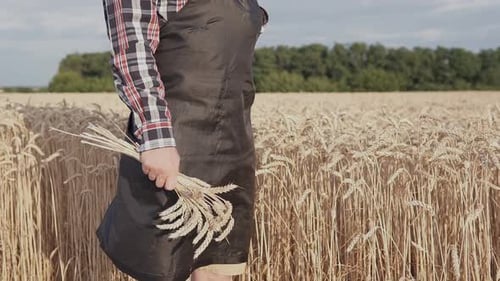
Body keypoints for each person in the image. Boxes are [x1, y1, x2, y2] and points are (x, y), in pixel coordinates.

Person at [95, 0, 269, 280]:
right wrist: (157, 139)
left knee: (218, 267)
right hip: (174, 146)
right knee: (167, 267)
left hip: (233, 147)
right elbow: (133, 51)